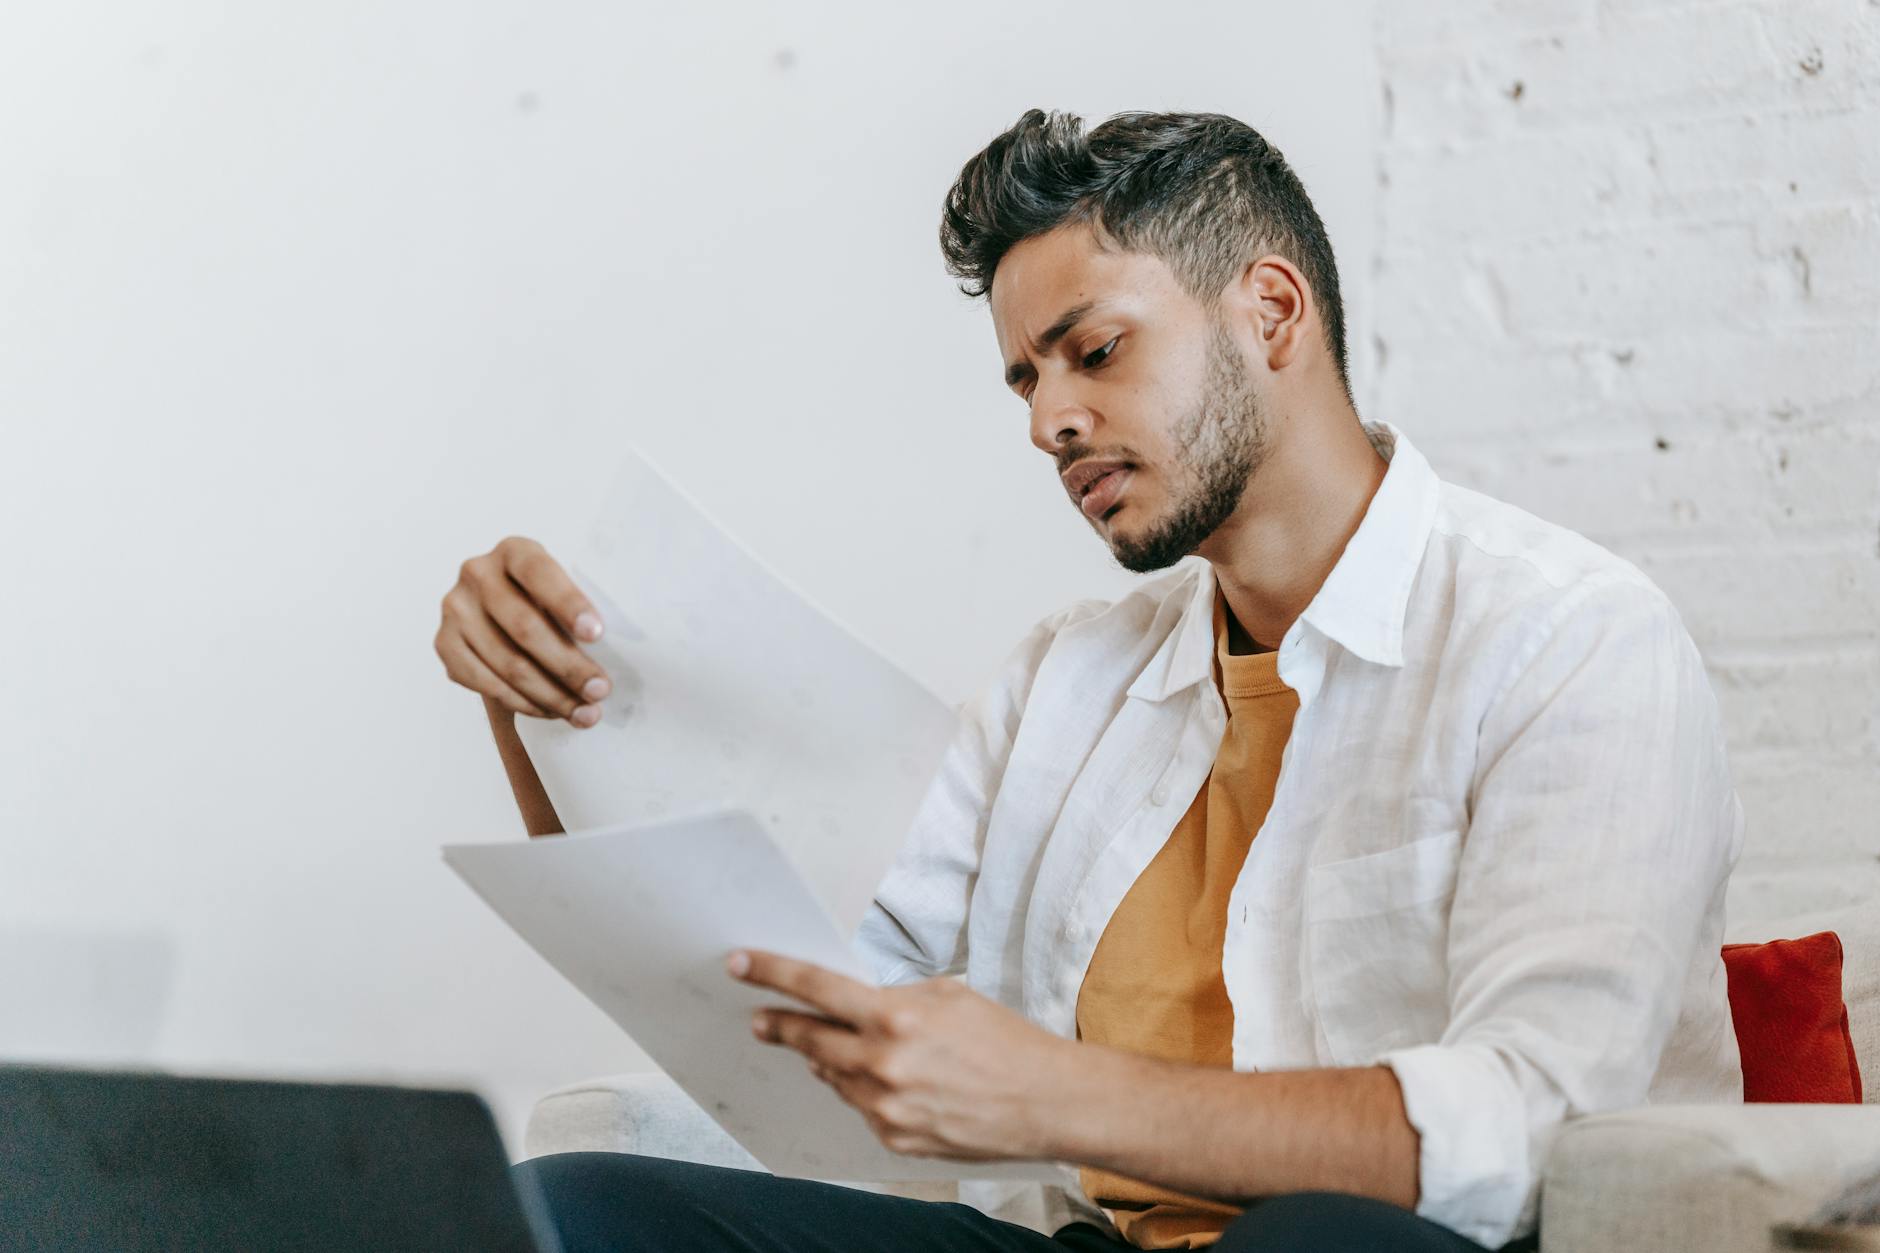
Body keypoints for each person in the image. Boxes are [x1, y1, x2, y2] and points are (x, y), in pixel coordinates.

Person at [434, 109, 1744, 1252]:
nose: (1046, 419)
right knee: (564, 1209)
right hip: (1099, 1248)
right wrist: (547, 699)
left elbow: (1535, 1126)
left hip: (1419, 1251)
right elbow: (777, 979)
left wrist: (1057, 1094)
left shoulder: (1568, 641)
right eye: (1024, 374)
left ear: (1272, 312)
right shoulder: (1071, 678)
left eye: (1094, 350)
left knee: (1324, 1240)